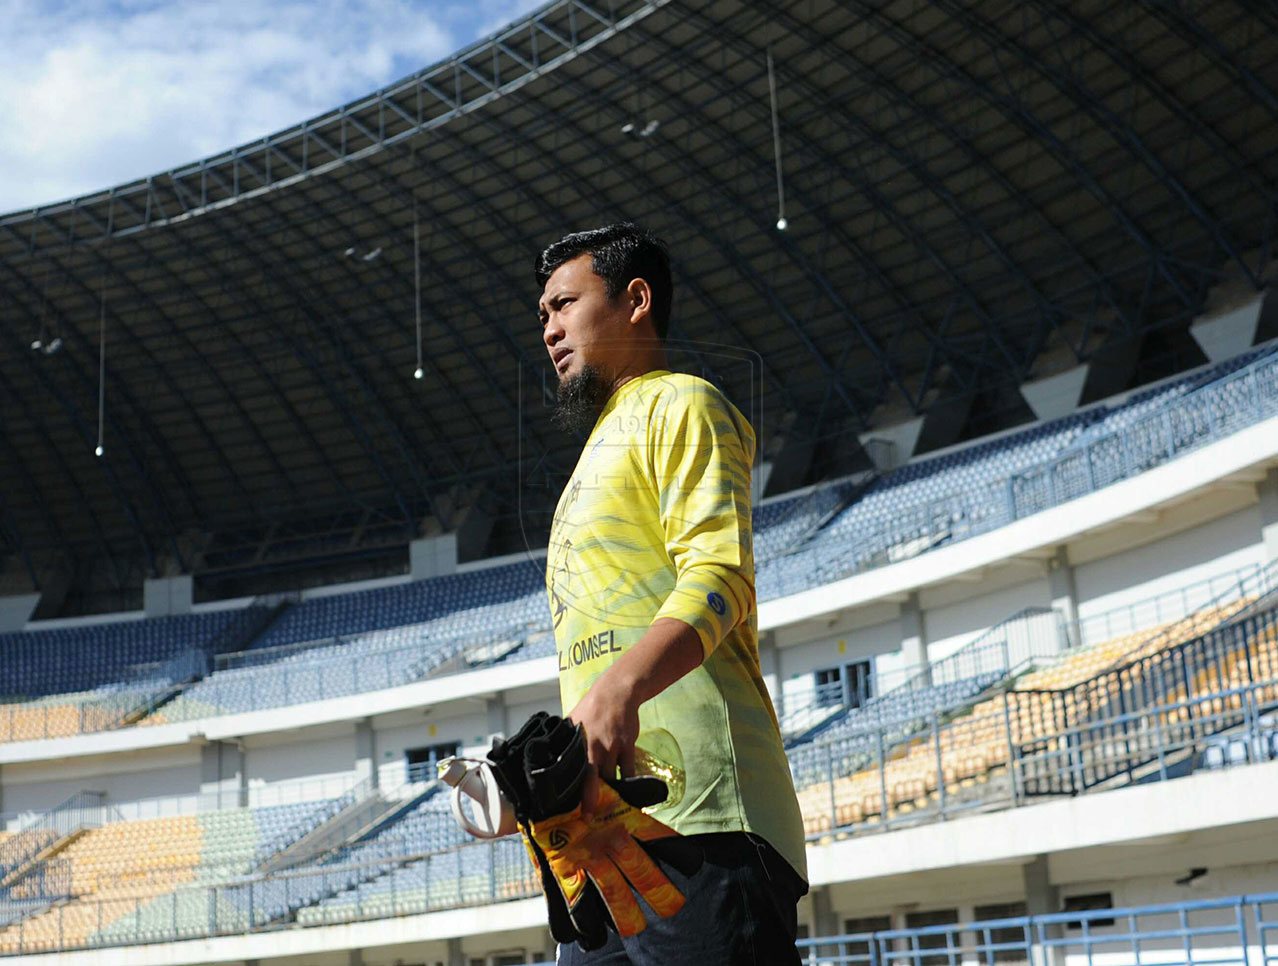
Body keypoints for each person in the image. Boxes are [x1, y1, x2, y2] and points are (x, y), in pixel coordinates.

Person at [535, 223, 808, 964]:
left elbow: (720, 576)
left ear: (636, 300)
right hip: (601, 843)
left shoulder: (683, 403)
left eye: (565, 303)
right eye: (544, 316)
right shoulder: (590, 456)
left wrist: (622, 686)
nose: (551, 329)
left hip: (703, 819)